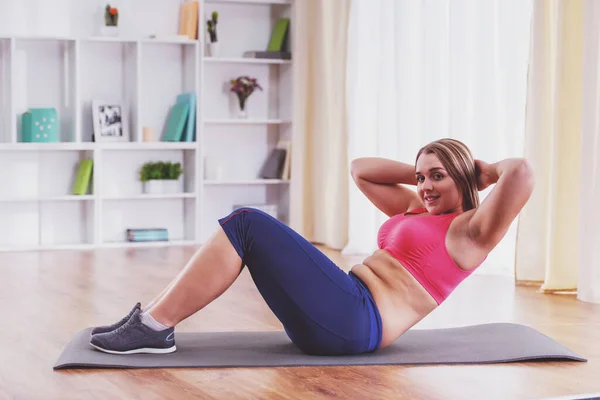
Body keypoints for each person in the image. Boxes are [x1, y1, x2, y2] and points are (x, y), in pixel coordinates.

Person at [89, 138, 534, 356]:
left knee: (246, 223)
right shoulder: (418, 209)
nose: (425, 186)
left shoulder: (470, 231)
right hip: (339, 309)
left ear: (462, 177)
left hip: (357, 320)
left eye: (437, 176)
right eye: (421, 177)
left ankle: (153, 327)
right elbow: (362, 170)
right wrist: (428, 165)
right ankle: (151, 321)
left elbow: (523, 174)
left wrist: (483, 171)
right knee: (247, 234)